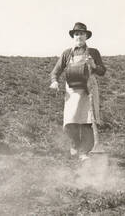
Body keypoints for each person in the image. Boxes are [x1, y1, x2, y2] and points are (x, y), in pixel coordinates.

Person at [50, 22, 106, 161]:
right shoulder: (67, 53)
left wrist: (93, 65)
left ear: (86, 36)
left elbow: (102, 71)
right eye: (76, 34)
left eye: (81, 33)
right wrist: (55, 81)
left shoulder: (93, 52)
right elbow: (55, 72)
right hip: (72, 91)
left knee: (87, 121)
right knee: (70, 121)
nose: (78, 36)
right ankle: (75, 145)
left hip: (89, 90)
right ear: (73, 36)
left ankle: (84, 152)